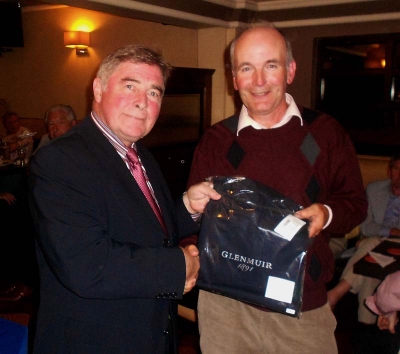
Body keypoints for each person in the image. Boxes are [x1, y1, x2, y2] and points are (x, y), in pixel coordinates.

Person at [186, 22, 367, 354]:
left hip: (303, 307)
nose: (258, 81)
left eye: (271, 65)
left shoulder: (326, 134)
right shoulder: (216, 140)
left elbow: (355, 203)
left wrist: (326, 213)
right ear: (233, 76)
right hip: (227, 309)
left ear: (290, 70)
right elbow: (194, 221)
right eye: (246, 68)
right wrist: (189, 208)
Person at [29, 44, 220, 354]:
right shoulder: (61, 160)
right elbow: (86, 265)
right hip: (95, 341)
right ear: (99, 89)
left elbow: (145, 229)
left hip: (151, 334)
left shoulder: (141, 155)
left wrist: (186, 205)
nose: (142, 102)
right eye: (130, 86)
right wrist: (177, 266)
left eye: (154, 93)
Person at [327, 153, 400, 354]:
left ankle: (337, 294)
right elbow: (366, 226)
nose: (399, 175)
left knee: (370, 245)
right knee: (371, 259)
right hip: (375, 246)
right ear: (389, 170)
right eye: (396, 169)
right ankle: (366, 331)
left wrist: (389, 234)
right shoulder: (374, 189)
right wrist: (391, 232)